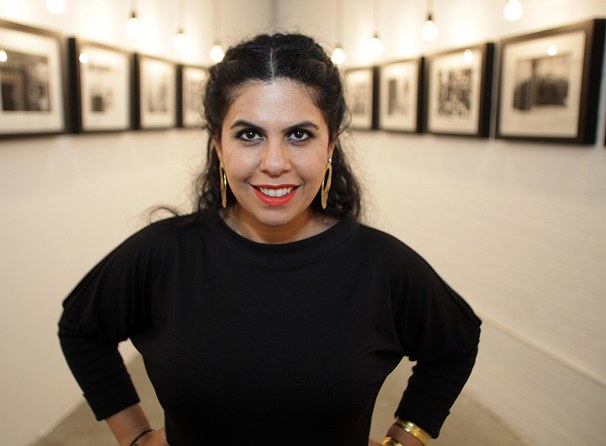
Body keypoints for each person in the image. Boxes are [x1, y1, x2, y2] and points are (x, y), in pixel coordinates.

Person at [58, 33, 481, 446]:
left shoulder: (382, 264)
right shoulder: (163, 253)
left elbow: (455, 344)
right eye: (249, 135)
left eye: (299, 134)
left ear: (330, 145)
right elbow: (80, 329)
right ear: (218, 145)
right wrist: (135, 435)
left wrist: (407, 437)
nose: (274, 163)